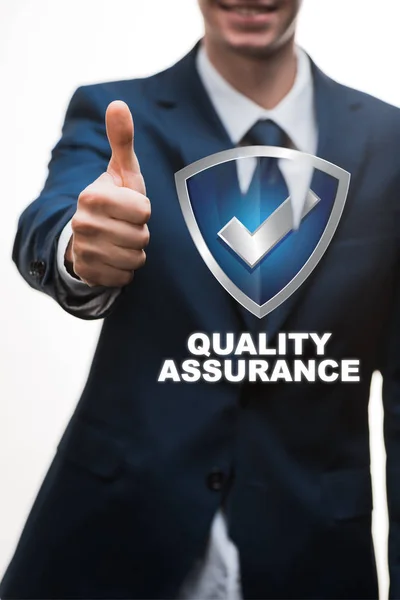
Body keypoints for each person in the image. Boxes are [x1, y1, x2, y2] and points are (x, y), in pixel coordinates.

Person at [2, 0, 400, 598]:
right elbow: (55, 217)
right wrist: (78, 250)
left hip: (312, 553)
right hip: (111, 541)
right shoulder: (117, 114)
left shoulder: (389, 141)